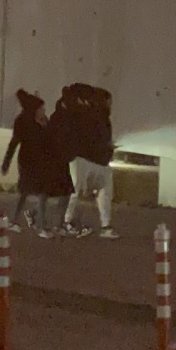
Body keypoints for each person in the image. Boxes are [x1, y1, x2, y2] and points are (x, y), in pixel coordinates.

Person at [0, 89, 67, 237]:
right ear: (34, 110)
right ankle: (23, 223)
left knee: (42, 192)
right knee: (25, 191)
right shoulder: (22, 121)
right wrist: (6, 162)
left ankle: (39, 225)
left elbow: (51, 141)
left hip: (42, 162)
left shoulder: (44, 122)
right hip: (27, 161)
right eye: (41, 108)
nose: (44, 111)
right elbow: (14, 143)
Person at [58, 84, 118, 239]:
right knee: (75, 190)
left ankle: (105, 225)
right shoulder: (88, 113)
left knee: (102, 190)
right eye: (109, 102)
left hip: (97, 160)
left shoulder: (101, 117)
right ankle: (66, 222)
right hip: (84, 158)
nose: (110, 106)